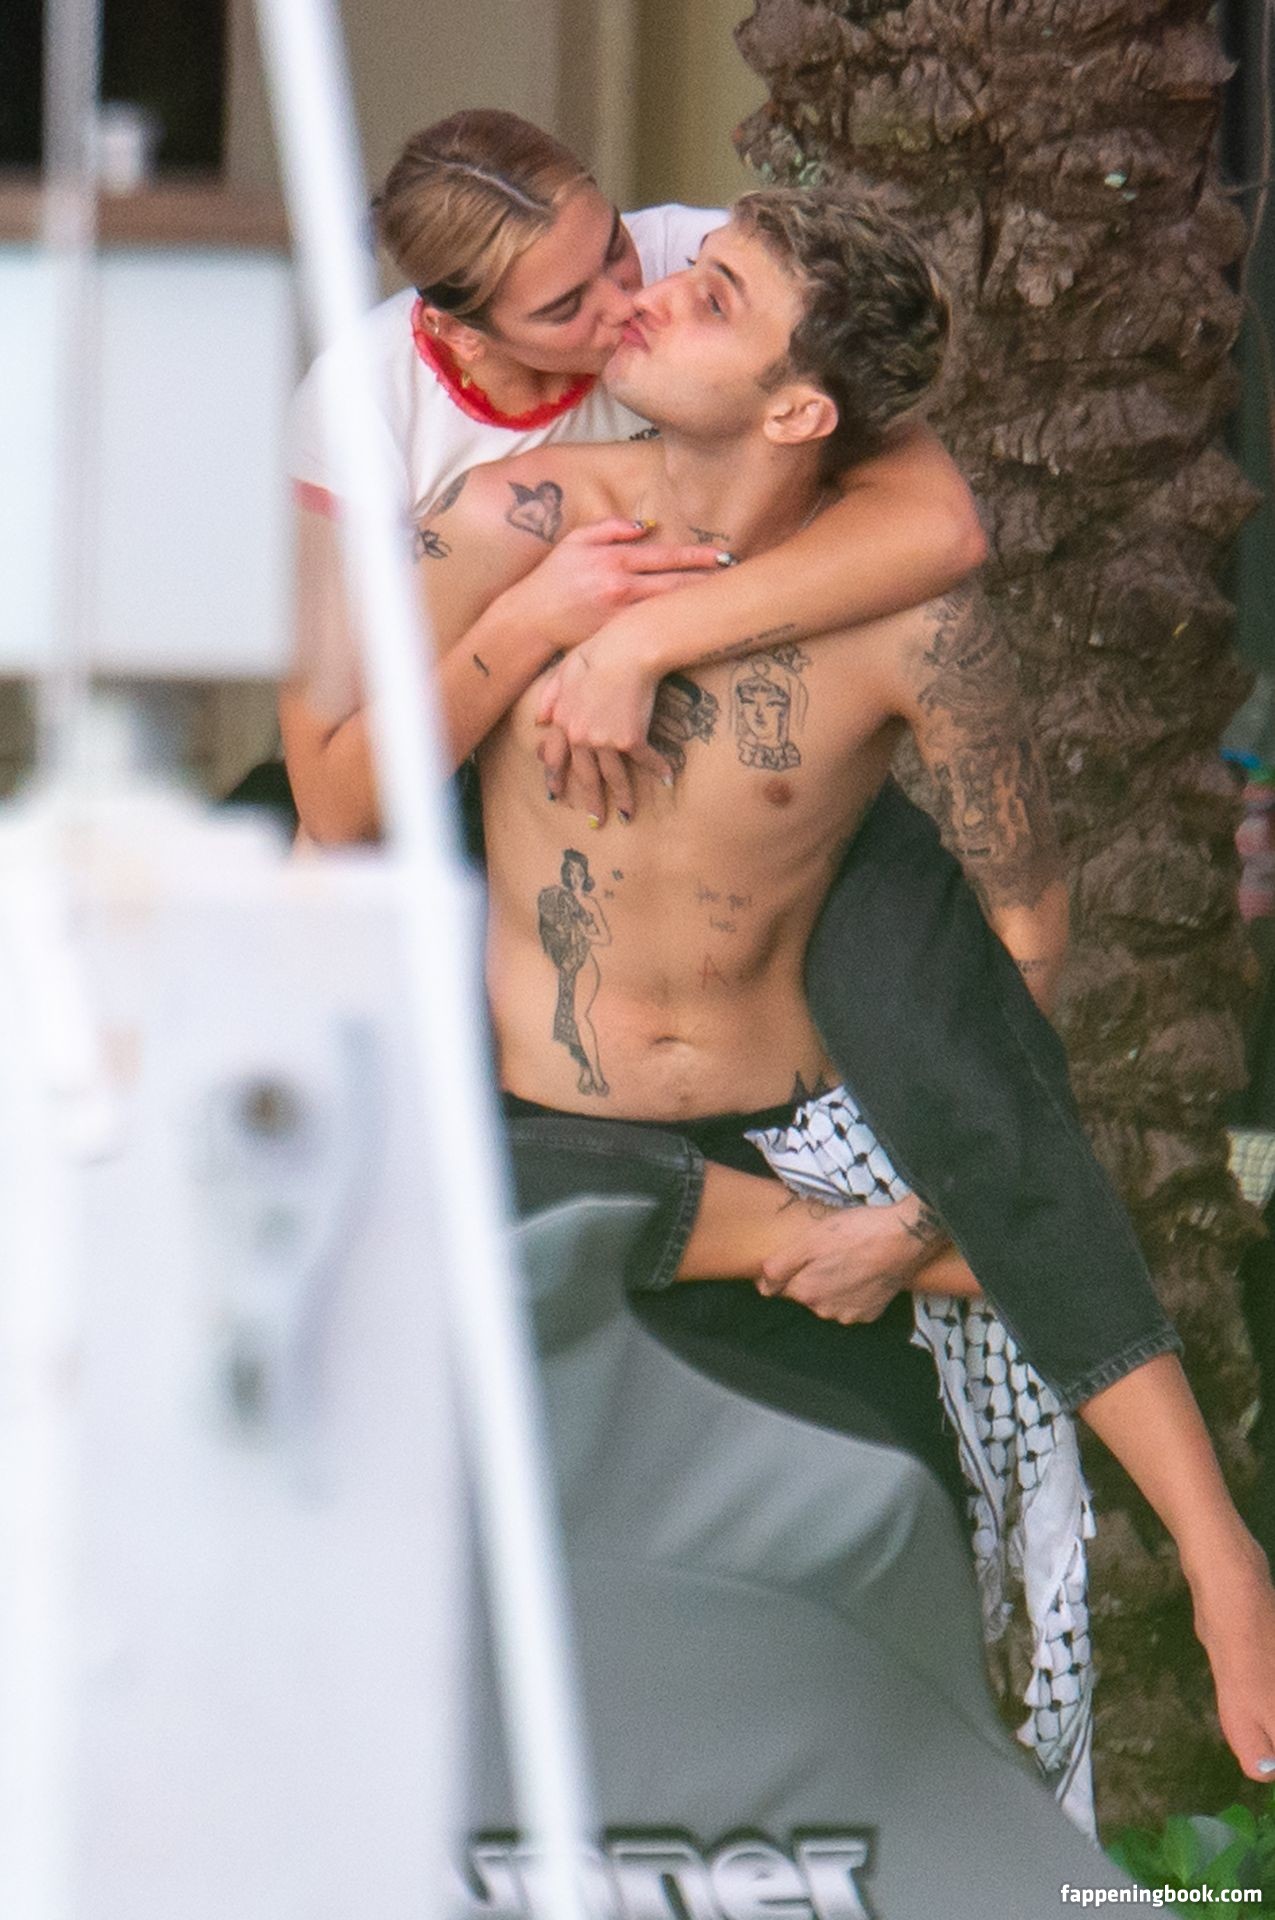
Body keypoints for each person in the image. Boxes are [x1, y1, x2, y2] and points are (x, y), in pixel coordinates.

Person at [407, 185, 1275, 1800]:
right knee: (449, 1189)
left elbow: (1027, 935)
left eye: (715, 296)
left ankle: (1221, 1555)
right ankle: (946, 1269)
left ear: (799, 410)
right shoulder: (516, 521)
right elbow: (344, 793)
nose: (656, 295)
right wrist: (543, 627)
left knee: (969, 1051)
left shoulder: (914, 629)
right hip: (550, 1139)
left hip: (790, 1132)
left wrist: (910, 1210)